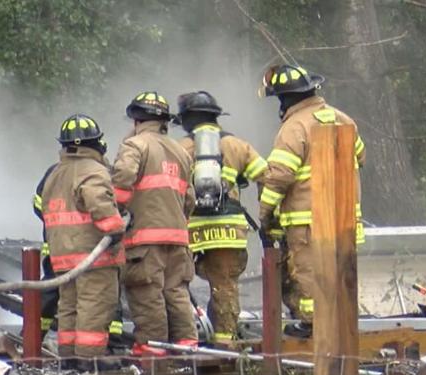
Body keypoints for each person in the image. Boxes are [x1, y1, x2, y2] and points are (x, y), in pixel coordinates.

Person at [254, 62, 363, 336]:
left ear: (285, 98)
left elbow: (280, 176)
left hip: (308, 223)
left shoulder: (294, 128)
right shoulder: (344, 119)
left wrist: (265, 212)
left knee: (309, 276)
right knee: (341, 275)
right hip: (346, 218)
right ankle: (342, 325)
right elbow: (361, 157)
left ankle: (314, 328)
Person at [173, 90, 267, 347]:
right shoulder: (237, 145)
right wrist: (268, 217)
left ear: (186, 119)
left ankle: (184, 337)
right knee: (224, 285)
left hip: (190, 230)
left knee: (175, 284)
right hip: (228, 229)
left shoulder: (179, 149)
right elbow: (265, 177)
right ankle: (225, 342)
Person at [110, 91, 196, 357]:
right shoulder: (181, 151)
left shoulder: (135, 145)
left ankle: (152, 348)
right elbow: (189, 197)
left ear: (136, 119)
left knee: (147, 291)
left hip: (144, 238)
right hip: (177, 237)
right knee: (176, 291)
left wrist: (116, 212)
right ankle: (186, 344)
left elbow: (122, 181)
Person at [36, 114, 126, 358]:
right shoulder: (92, 170)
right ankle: (89, 360)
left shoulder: (55, 173)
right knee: (94, 308)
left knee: (68, 309)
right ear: (95, 143)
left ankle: (68, 358)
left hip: (63, 257)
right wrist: (115, 227)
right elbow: (98, 199)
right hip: (93, 258)